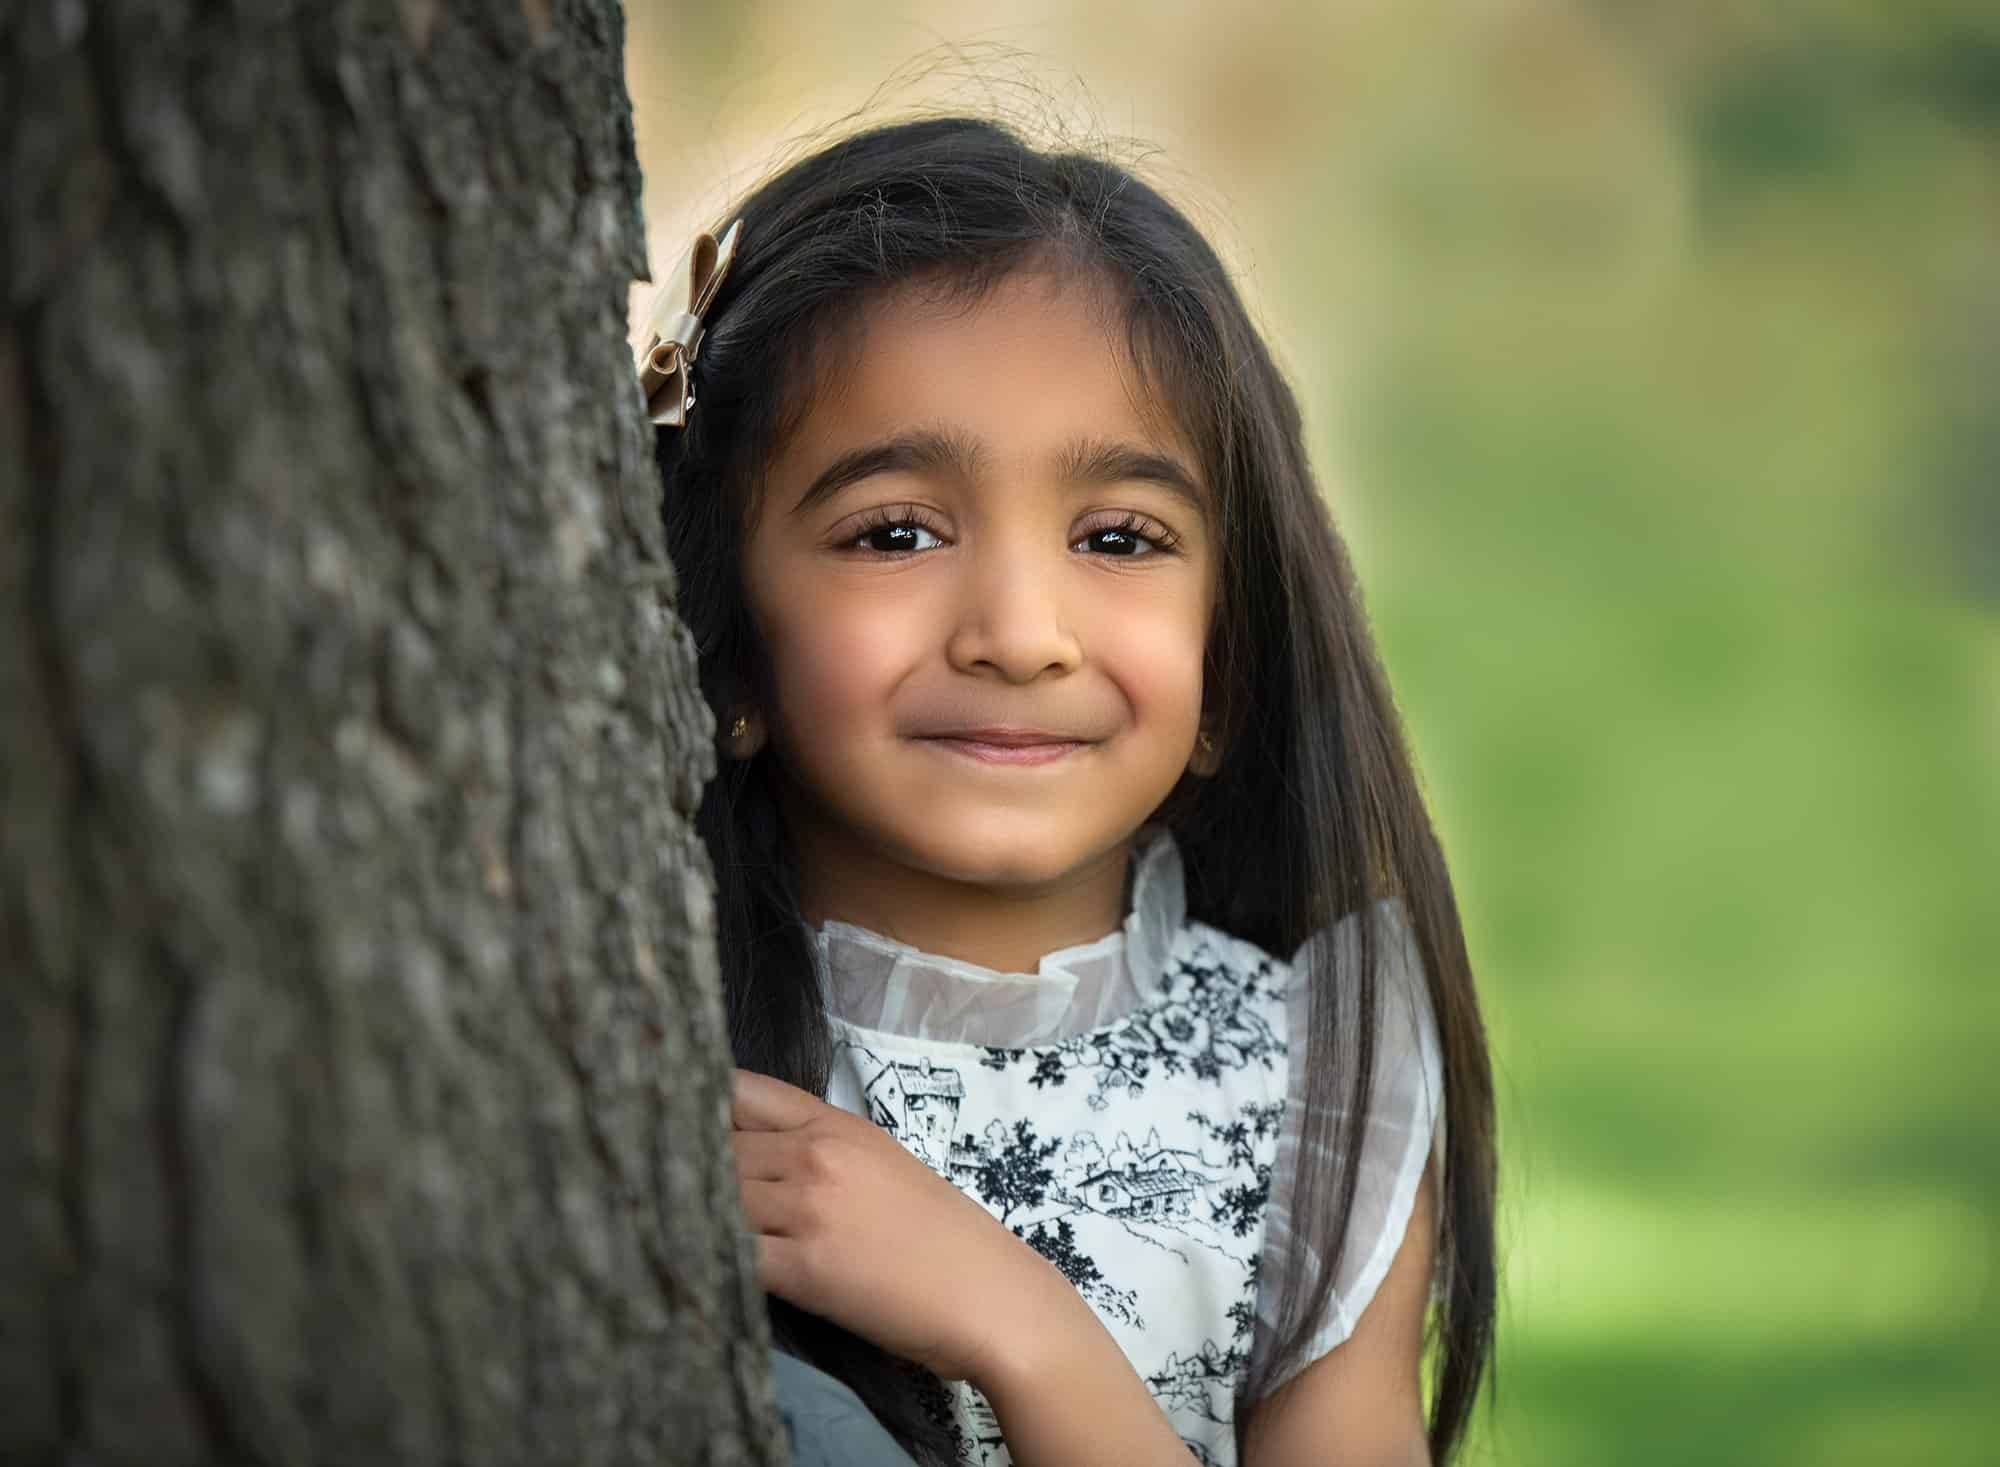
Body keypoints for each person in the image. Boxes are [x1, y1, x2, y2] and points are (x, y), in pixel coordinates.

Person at [638, 114, 1496, 1467]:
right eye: (895, 531)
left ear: (1229, 661)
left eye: (1118, 538)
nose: (1021, 632)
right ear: (729, 633)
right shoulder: (634, 1020)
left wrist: (1021, 1335)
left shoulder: (1321, 1080)